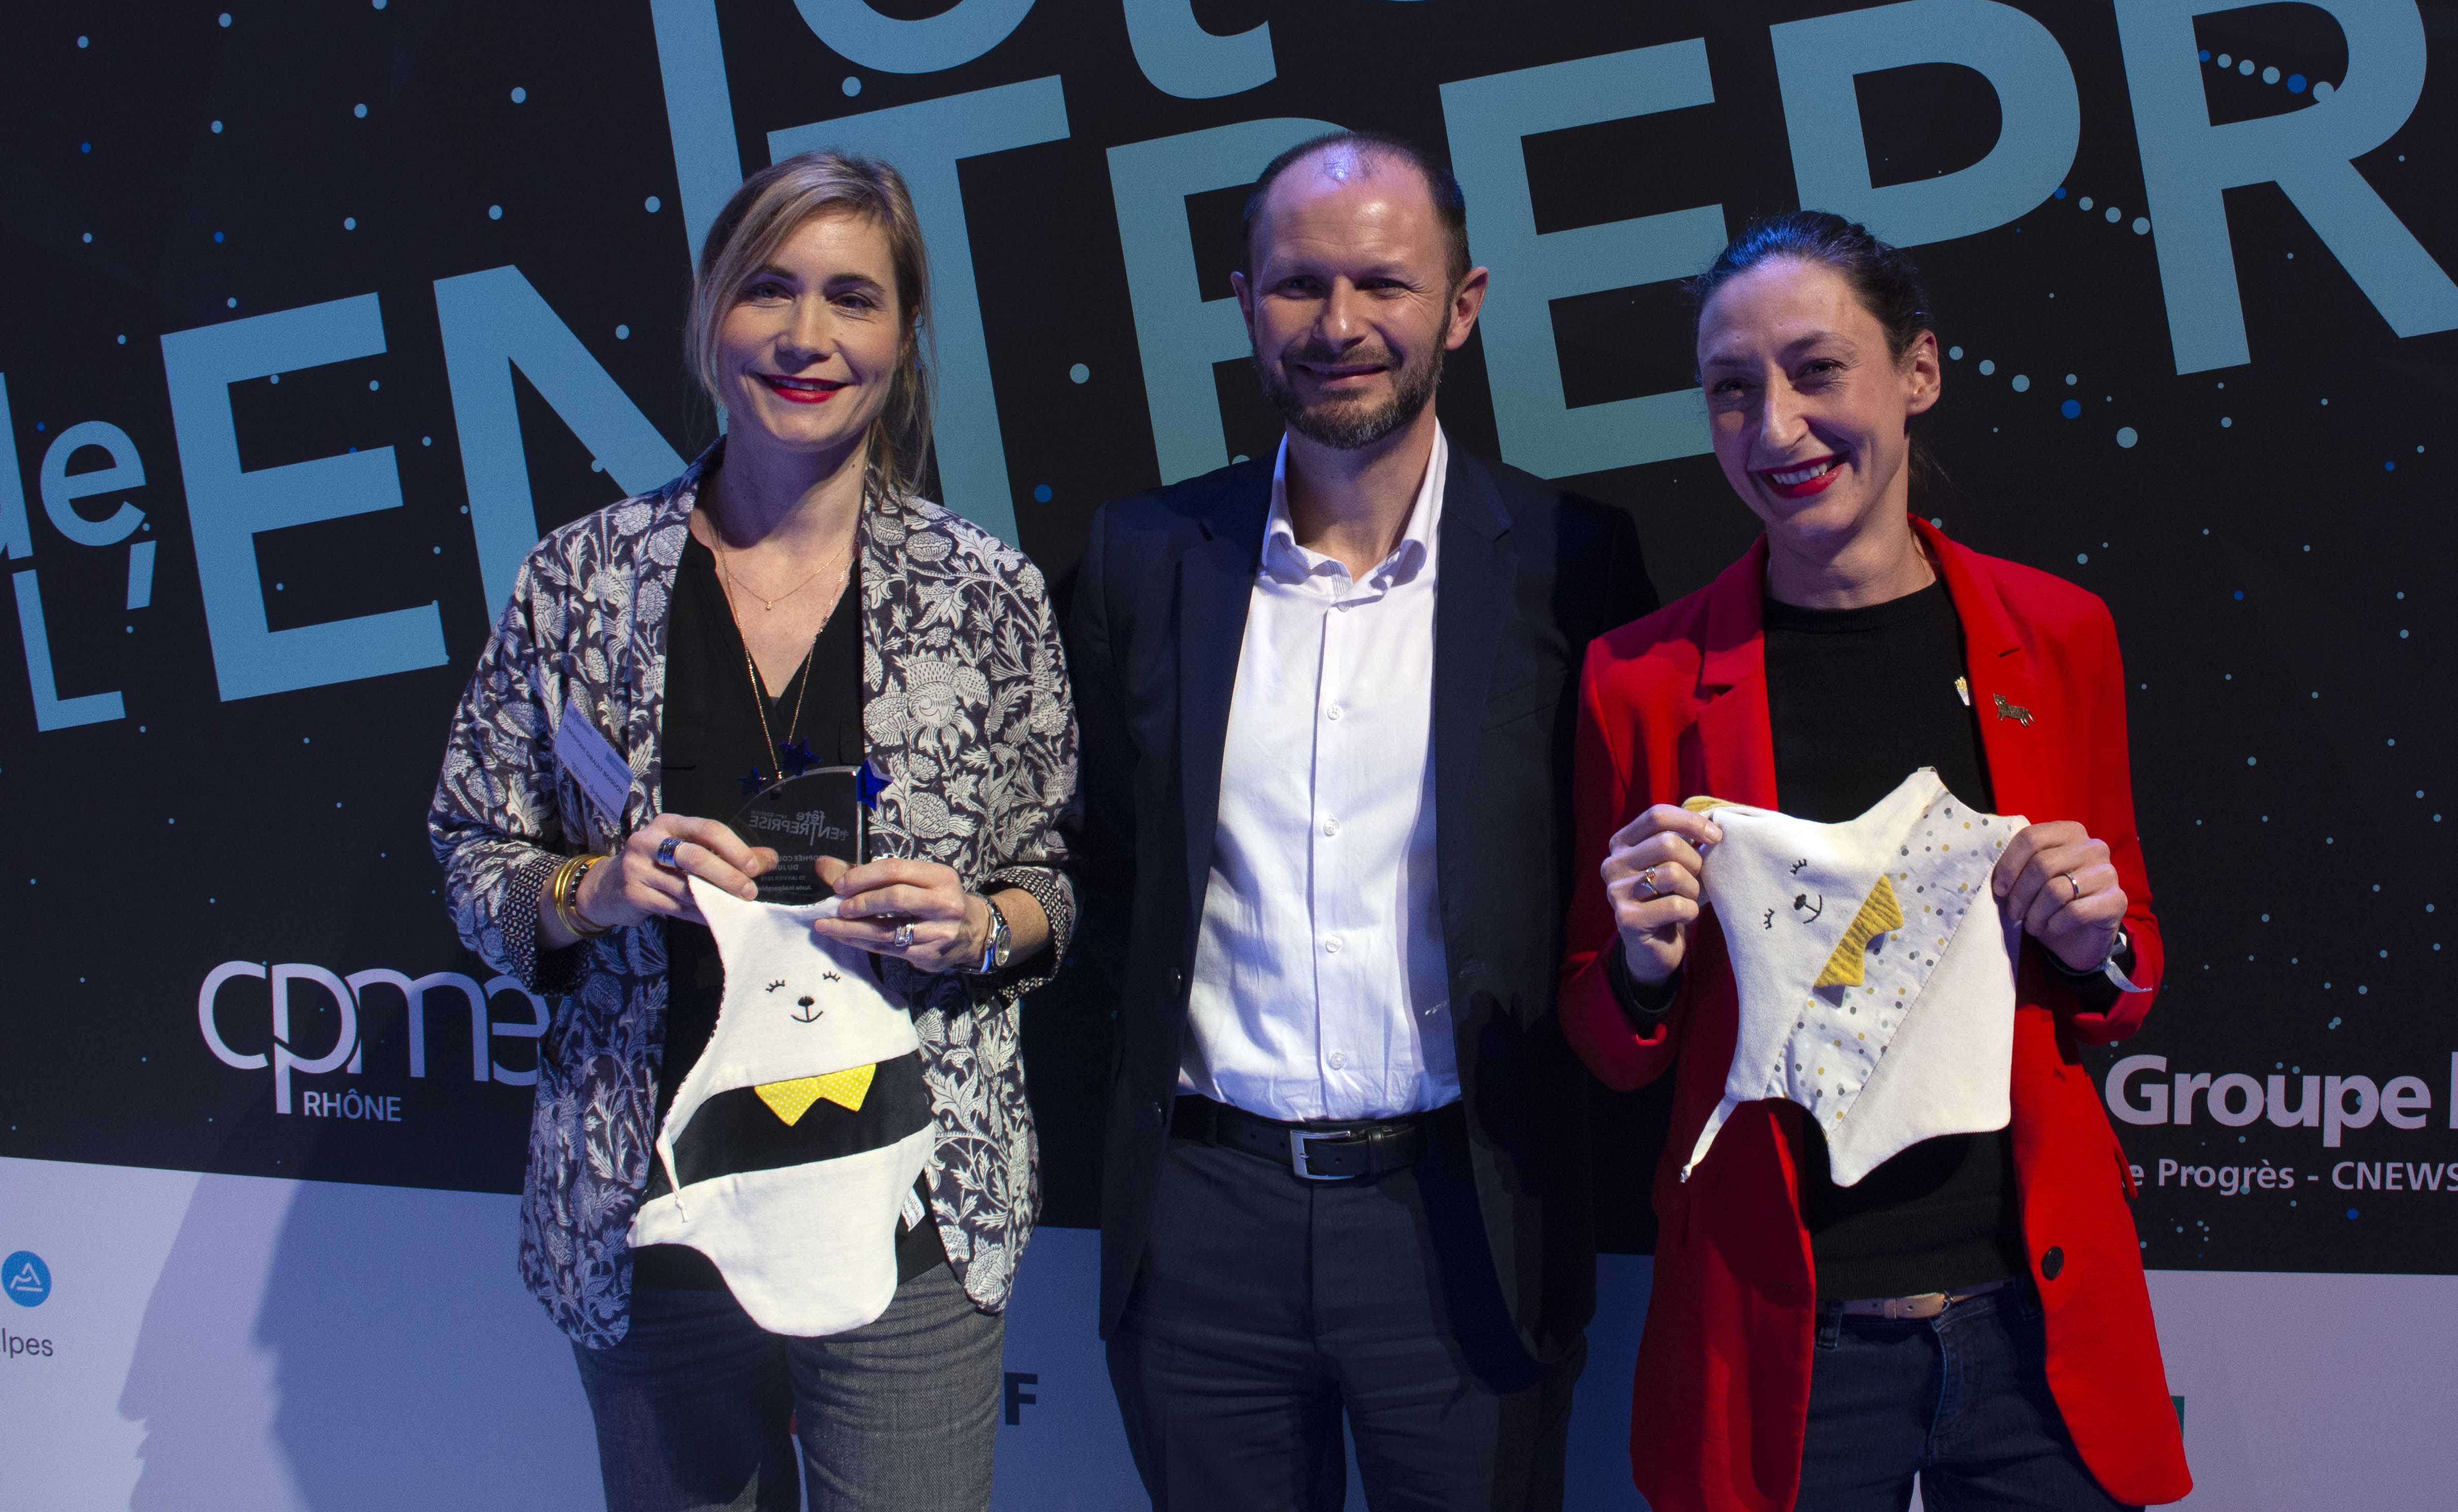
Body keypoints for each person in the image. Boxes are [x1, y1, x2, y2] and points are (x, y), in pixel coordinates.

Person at [429, 149, 1076, 1512]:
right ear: (711, 316)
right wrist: (593, 888)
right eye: (768, 290)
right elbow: (475, 853)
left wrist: (979, 924)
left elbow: (1053, 881)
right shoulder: (580, 581)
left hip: (909, 1222)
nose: (805, 335)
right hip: (654, 1215)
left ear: (903, 335)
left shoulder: (986, 596)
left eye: (853, 297)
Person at [1557, 211, 2192, 1511]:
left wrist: (2097, 941)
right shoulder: (1643, 681)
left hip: (2031, 1325)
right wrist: (1639, 966)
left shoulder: (2058, 636)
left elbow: (2124, 981)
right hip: (1787, 1336)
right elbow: (1608, 1042)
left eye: (1817, 370)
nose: (1776, 427)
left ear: (1919, 372)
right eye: (1733, 389)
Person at [1069, 130, 1654, 1511]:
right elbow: (1094, 864)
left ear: (1461, 305)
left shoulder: (1574, 563)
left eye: (1384, 284)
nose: (1339, 325)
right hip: (1203, 1223)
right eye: (1298, 285)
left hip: (1467, 1215)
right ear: (1243, 303)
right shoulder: (1142, 556)